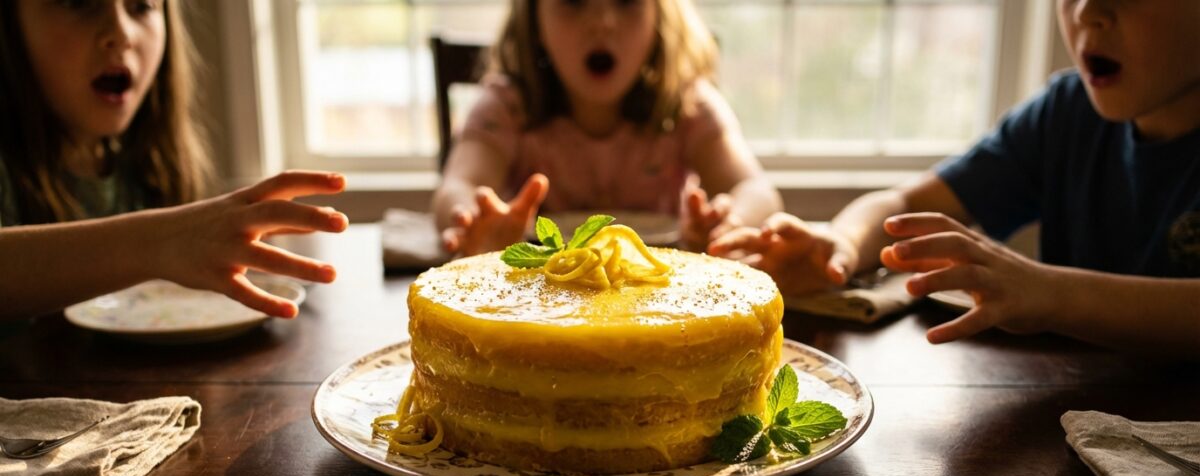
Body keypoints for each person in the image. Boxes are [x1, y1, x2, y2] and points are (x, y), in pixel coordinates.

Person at [709, 0, 1200, 357]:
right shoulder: (1065, 113)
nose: (1089, 11)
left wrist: (1054, 294)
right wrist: (840, 242)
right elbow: (910, 202)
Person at [0, 0, 348, 321]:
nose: (121, 34)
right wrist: (156, 242)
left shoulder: (144, 164)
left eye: (142, 6)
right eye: (80, 3)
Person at [432, 0, 781, 256]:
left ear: (659, 17)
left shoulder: (687, 105)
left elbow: (757, 190)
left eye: (627, 1)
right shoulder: (507, 106)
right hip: (548, 299)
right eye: (575, 2)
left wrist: (727, 223)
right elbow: (457, 186)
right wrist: (477, 223)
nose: (602, 21)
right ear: (534, 19)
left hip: (655, 302)